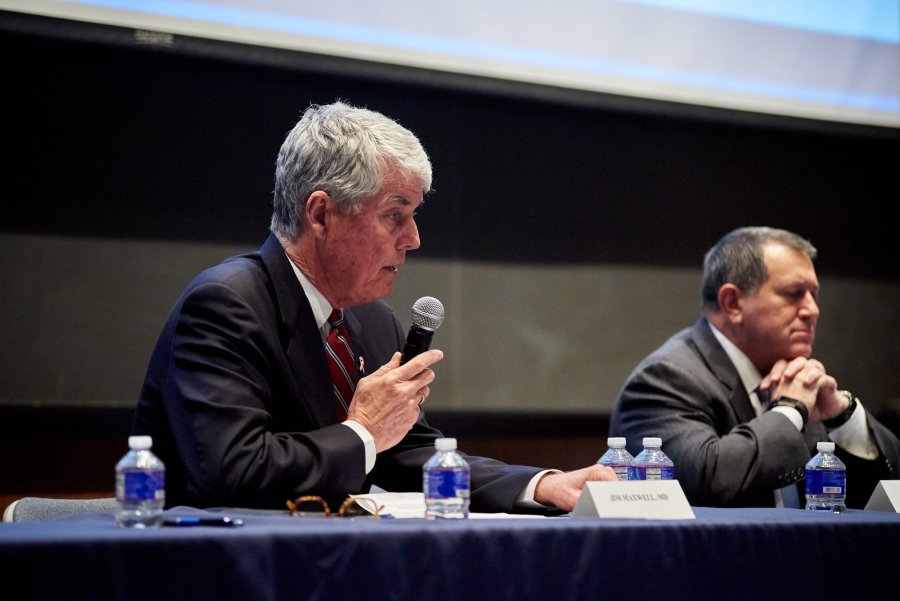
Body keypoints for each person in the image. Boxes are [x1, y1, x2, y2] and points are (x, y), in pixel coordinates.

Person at [133, 100, 616, 512]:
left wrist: (542, 484)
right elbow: (229, 473)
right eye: (394, 216)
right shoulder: (226, 305)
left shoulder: (369, 319)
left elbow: (405, 449)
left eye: (414, 216)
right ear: (321, 214)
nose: (414, 239)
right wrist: (362, 430)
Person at [609, 226, 900, 508]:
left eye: (814, 294)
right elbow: (704, 483)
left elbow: (887, 488)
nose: (812, 310)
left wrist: (843, 416)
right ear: (733, 303)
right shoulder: (666, 379)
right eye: (793, 293)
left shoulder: (800, 380)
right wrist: (790, 411)